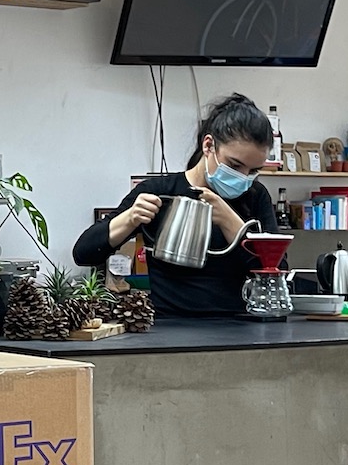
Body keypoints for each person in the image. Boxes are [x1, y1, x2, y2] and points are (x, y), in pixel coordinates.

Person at [72, 92, 279, 316]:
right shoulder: (159, 192)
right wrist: (131, 218)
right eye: (235, 165)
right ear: (208, 145)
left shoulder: (256, 196)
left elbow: (276, 271)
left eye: (253, 171)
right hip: (168, 331)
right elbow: (84, 253)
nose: (243, 177)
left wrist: (231, 222)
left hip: (240, 329)